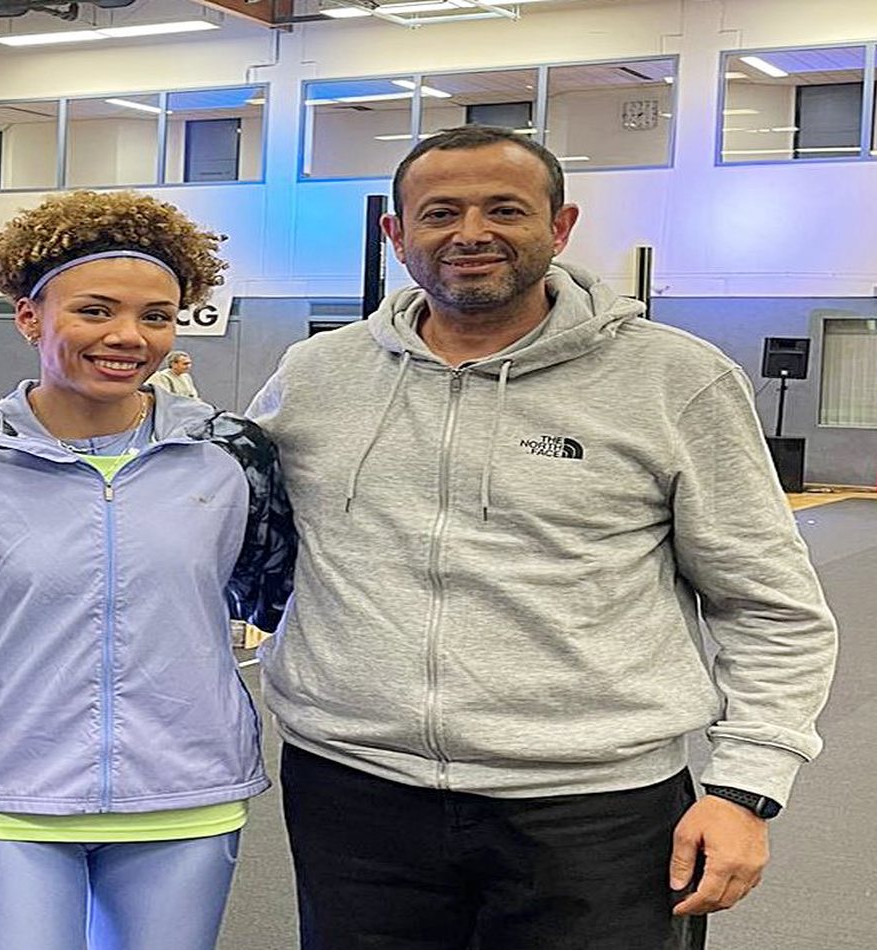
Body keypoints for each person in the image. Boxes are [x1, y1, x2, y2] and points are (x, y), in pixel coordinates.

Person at [248, 126, 839, 950]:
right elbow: (238, 527)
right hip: (355, 794)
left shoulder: (675, 379)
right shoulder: (317, 375)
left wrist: (746, 788)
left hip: (594, 810)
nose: (471, 233)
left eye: (505, 210)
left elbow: (771, 605)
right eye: (440, 213)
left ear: (559, 228)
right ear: (396, 235)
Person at [0, 190, 295, 950]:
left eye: (156, 316)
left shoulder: (233, 453)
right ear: (29, 316)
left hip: (187, 788)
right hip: (8, 789)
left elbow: (268, 593)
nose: (127, 336)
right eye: (95, 311)